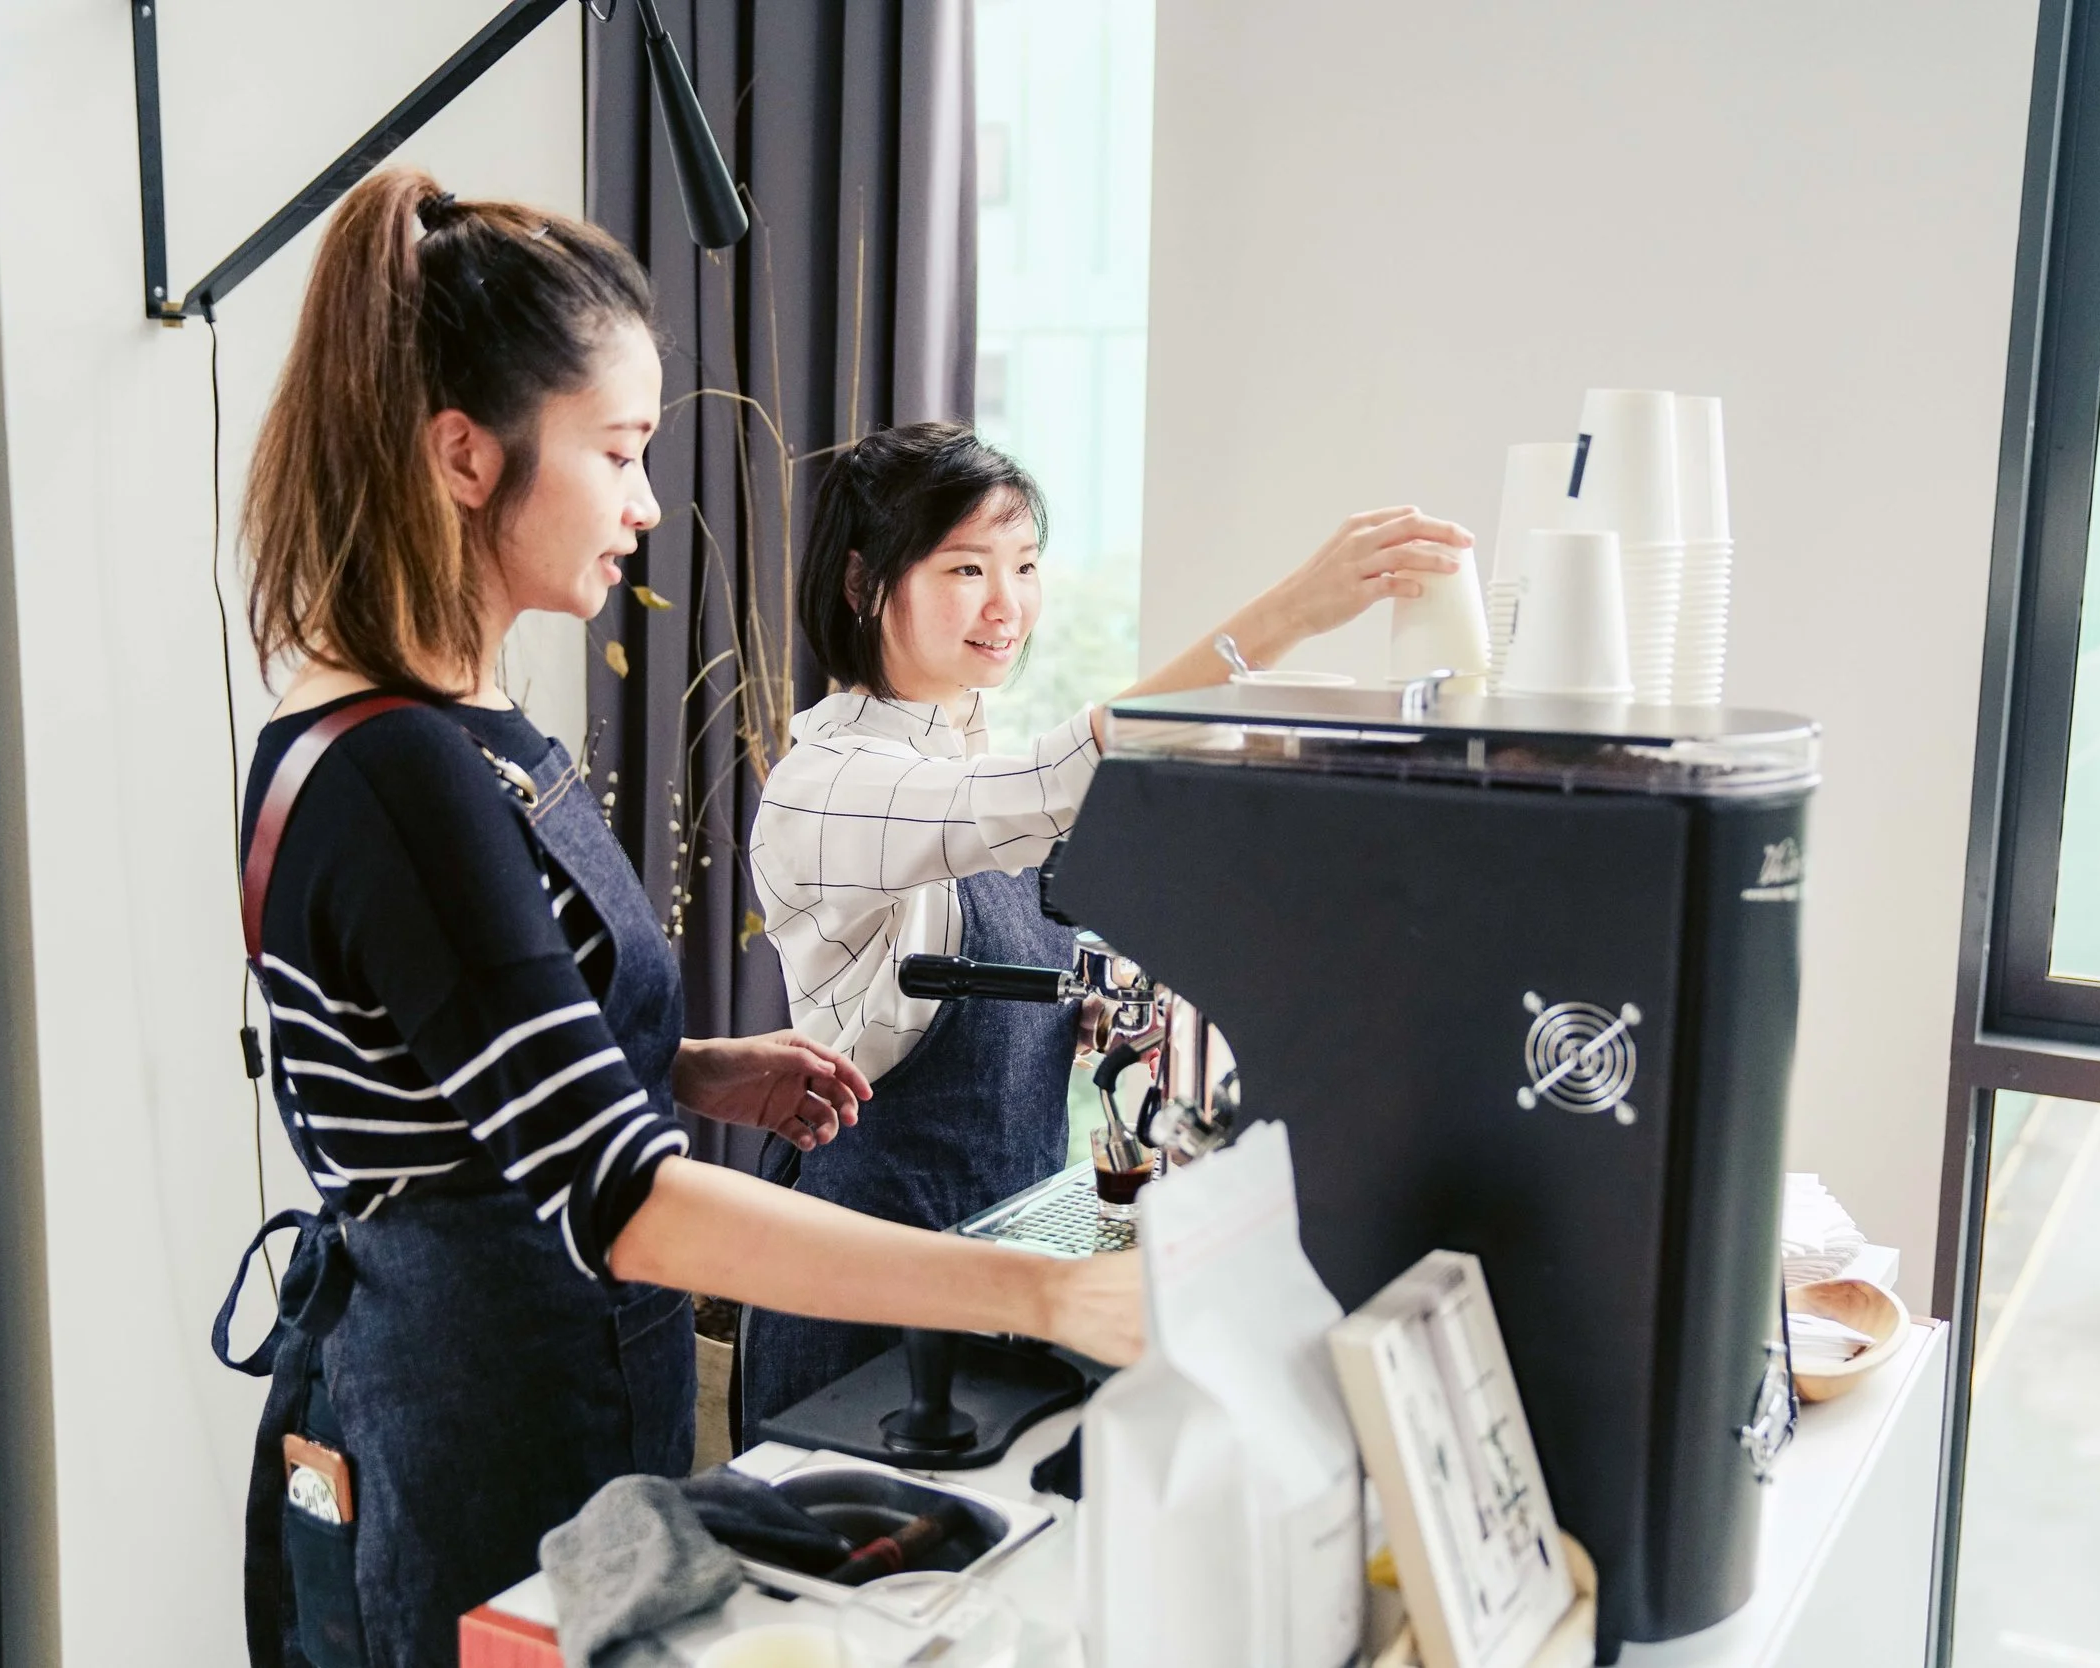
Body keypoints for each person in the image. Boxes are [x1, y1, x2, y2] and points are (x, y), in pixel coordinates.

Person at [215, 171, 1141, 1668]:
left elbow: (467, 1061)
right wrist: (1048, 1289)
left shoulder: (461, 732)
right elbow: (622, 1199)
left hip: (571, 1393)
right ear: (465, 455)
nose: (647, 502)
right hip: (474, 1425)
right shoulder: (400, 772)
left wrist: (691, 1065)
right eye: (620, 450)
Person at [738, 421, 1472, 1425]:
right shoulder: (830, 785)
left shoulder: (964, 765)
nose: (1007, 605)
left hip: (1001, 1263)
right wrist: (1291, 614)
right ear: (863, 583)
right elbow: (1056, 778)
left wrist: (1069, 1013)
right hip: (863, 1275)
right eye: (966, 568)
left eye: (1025, 565)